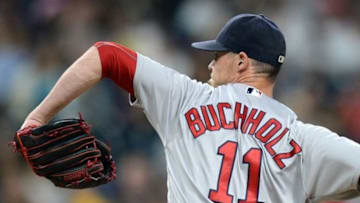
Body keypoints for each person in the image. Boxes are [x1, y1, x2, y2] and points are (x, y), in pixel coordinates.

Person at [20, 13, 360, 203]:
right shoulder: (303, 139)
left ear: (242, 62)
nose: (210, 66)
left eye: (216, 56)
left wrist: (37, 117)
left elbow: (106, 55)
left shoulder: (189, 99)